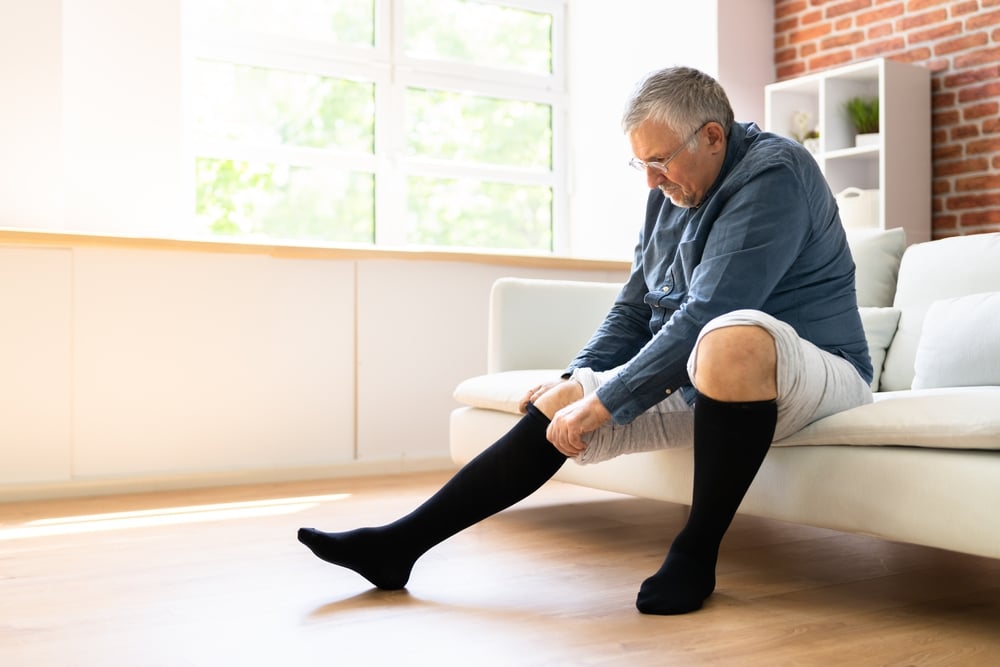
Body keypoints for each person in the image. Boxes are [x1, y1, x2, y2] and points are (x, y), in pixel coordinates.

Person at [298, 66, 873, 615]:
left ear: (714, 137)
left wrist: (607, 401)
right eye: (639, 164)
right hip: (715, 378)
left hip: (820, 372)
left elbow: (707, 313)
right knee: (564, 400)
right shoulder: (669, 194)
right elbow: (634, 306)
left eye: (659, 161)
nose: (650, 179)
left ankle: (696, 553)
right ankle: (398, 546)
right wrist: (581, 378)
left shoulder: (774, 173)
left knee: (730, 338)